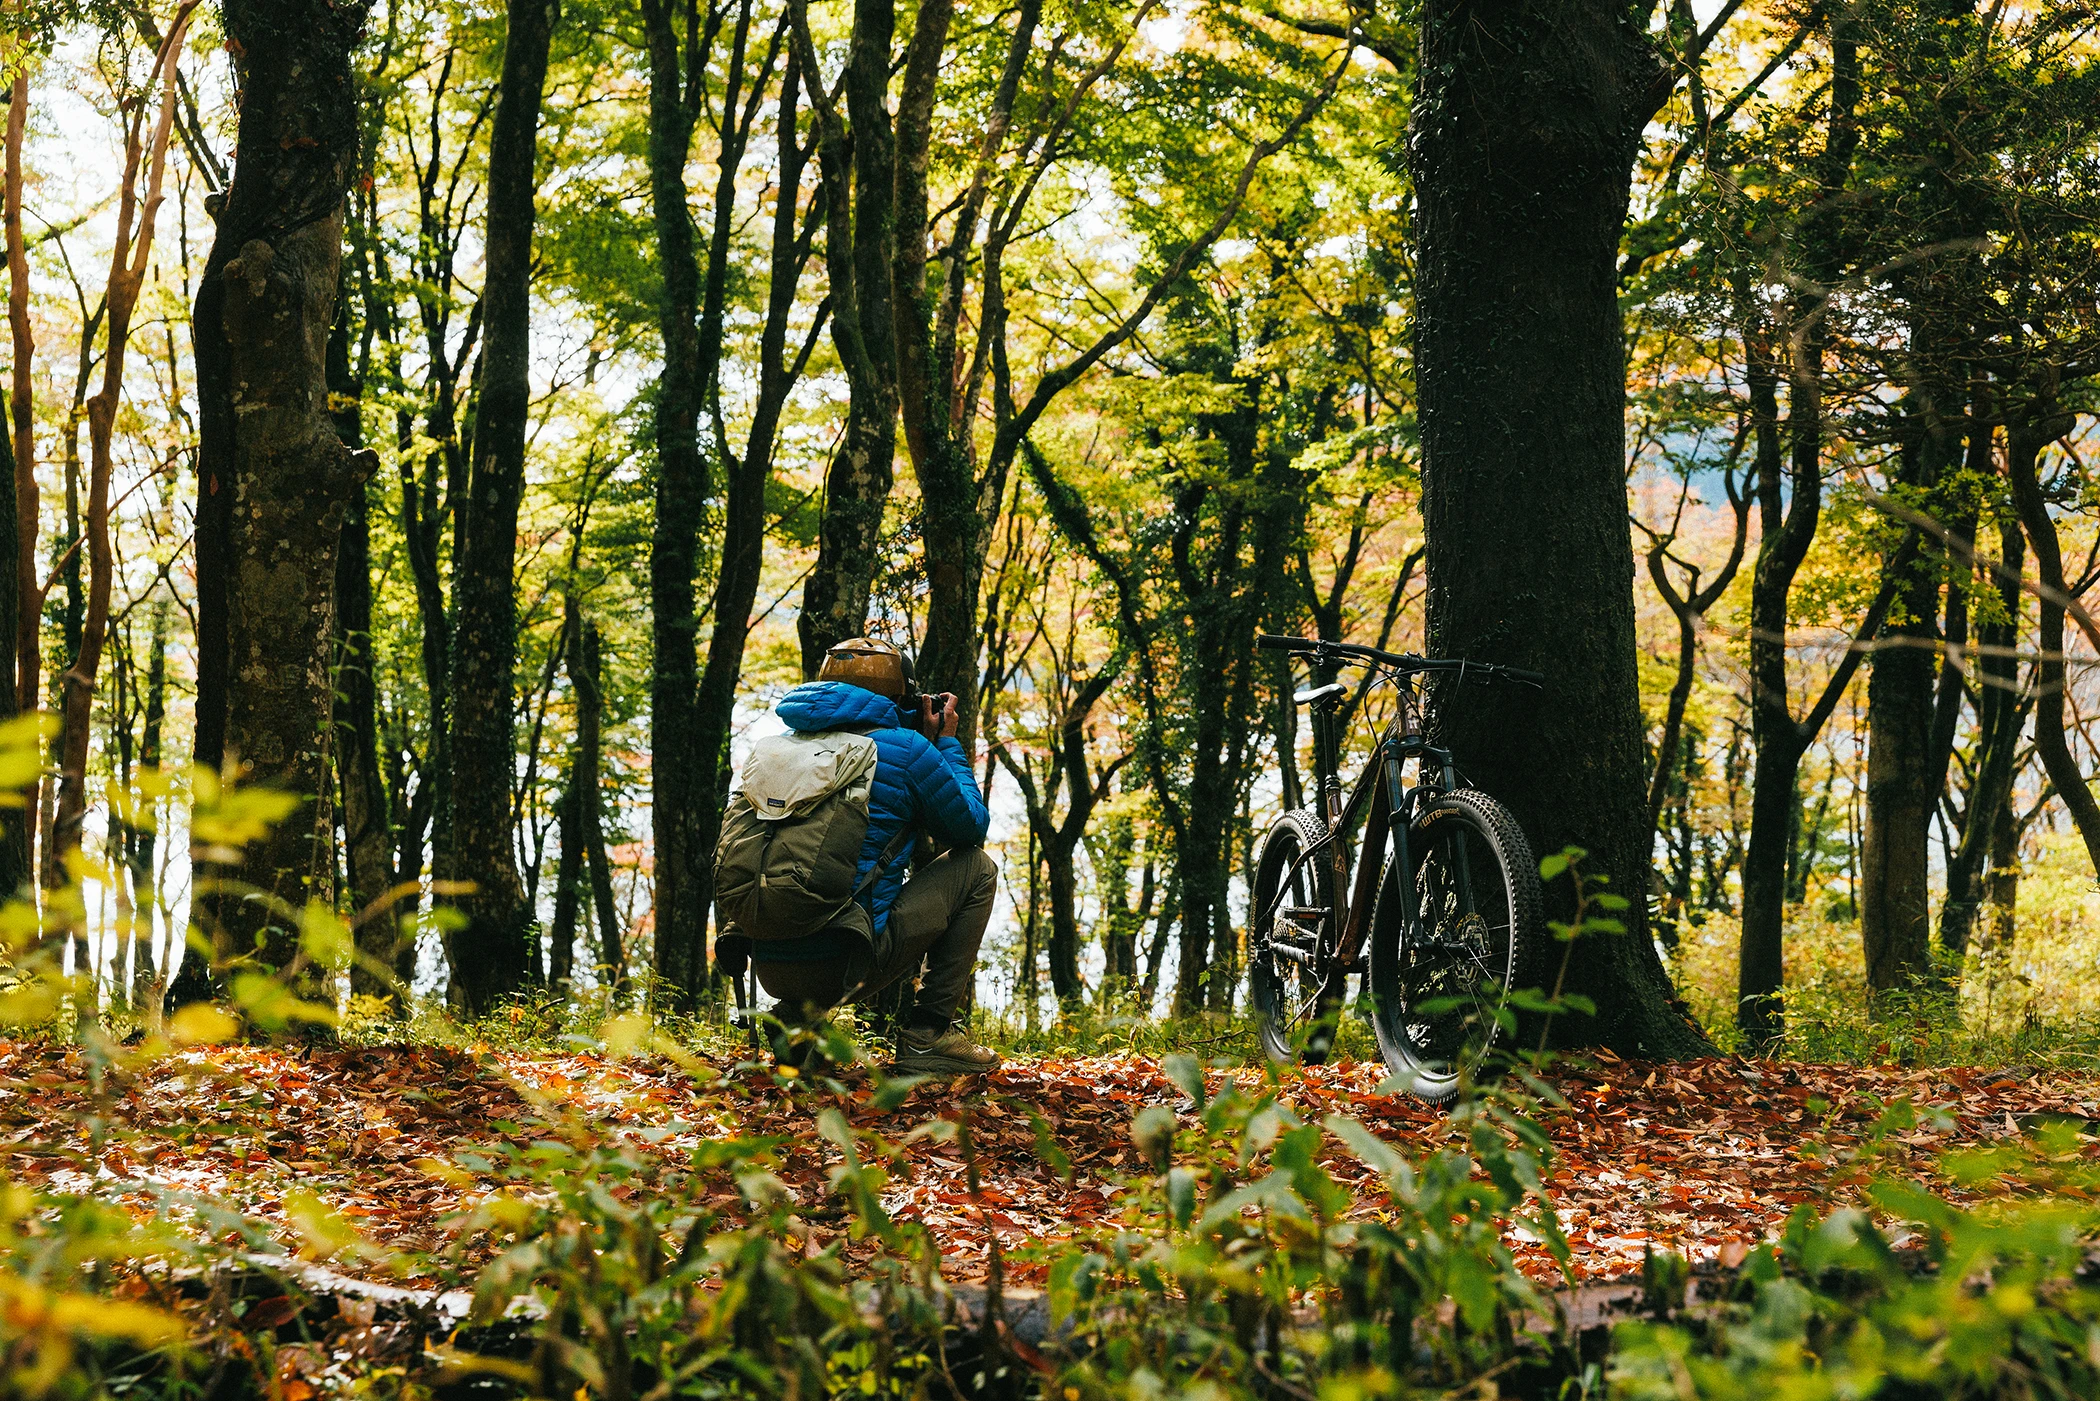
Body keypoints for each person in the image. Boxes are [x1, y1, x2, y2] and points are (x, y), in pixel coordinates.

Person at [741, 637, 1000, 1075]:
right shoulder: (904, 749)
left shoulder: (777, 747)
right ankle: (928, 1035)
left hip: (767, 962)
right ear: (903, 695)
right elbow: (971, 828)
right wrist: (946, 744)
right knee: (978, 869)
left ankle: (797, 1023)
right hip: (845, 961)